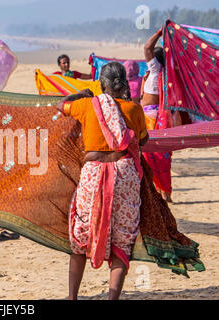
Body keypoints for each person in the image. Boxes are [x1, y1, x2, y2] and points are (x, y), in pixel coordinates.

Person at [56, 61, 148, 300]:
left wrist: (81, 93)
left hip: (93, 174)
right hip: (124, 174)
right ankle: (112, 298)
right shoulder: (134, 109)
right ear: (123, 83)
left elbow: (60, 105)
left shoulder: (87, 105)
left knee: (81, 233)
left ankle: (72, 296)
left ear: (101, 84)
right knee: (122, 236)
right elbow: (143, 141)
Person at [140, 28, 173, 203]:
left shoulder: (155, 70)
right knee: (162, 155)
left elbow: (146, 47)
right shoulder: (168, 74)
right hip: (161, 117)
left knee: (148, 154)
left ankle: (156, 191)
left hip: (150, 117)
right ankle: (165, 192)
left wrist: (160, 33)